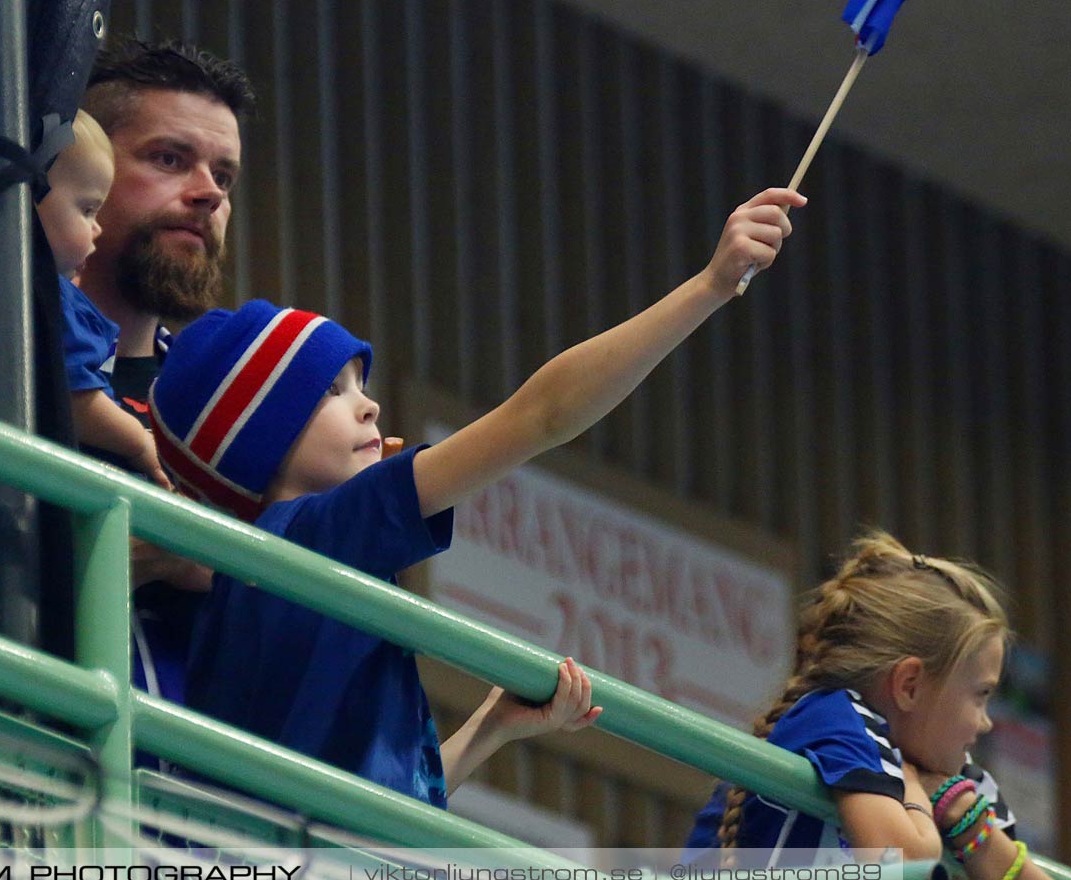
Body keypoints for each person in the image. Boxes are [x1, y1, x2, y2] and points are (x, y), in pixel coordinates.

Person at [150, 189, 804, 804]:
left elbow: (384, 808)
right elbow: (541, 415)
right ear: (255, 439)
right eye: (331, 391)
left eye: (360, 385)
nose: (369, 406)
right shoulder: (308, 534)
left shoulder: (295, 569)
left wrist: (491, 729)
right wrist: (709, 285)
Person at [686, 531, 1069, 880]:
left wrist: (968, 822)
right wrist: (915, 791)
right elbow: (903, 870)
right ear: (909, 686)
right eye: (981, 695)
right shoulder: (834, 716)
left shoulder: (951, 770)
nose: (986, 722)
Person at [75, 38, 256, 702]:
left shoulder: (229, 408)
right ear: (81, 167)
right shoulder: (0, 361)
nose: (208, 193)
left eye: (225, 177)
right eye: (170, 159)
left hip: (200, 783)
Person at [36, 110, 169, 488]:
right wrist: (139, 442)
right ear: (28, 198)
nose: (97, 227)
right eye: (88, 209)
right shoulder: (53, 303)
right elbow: (75, 400)